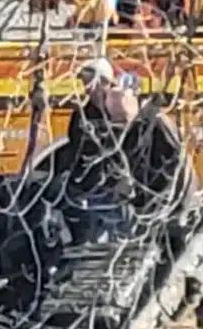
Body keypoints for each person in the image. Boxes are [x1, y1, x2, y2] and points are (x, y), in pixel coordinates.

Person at [53, 57, 140, 241]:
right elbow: (75, 148)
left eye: (89, 82)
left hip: (117, 187)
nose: (86, 88)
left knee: (125, 229)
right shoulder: (81, 116)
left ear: (104, 82)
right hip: (89, 188)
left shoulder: (119, 111)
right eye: (84, 83)